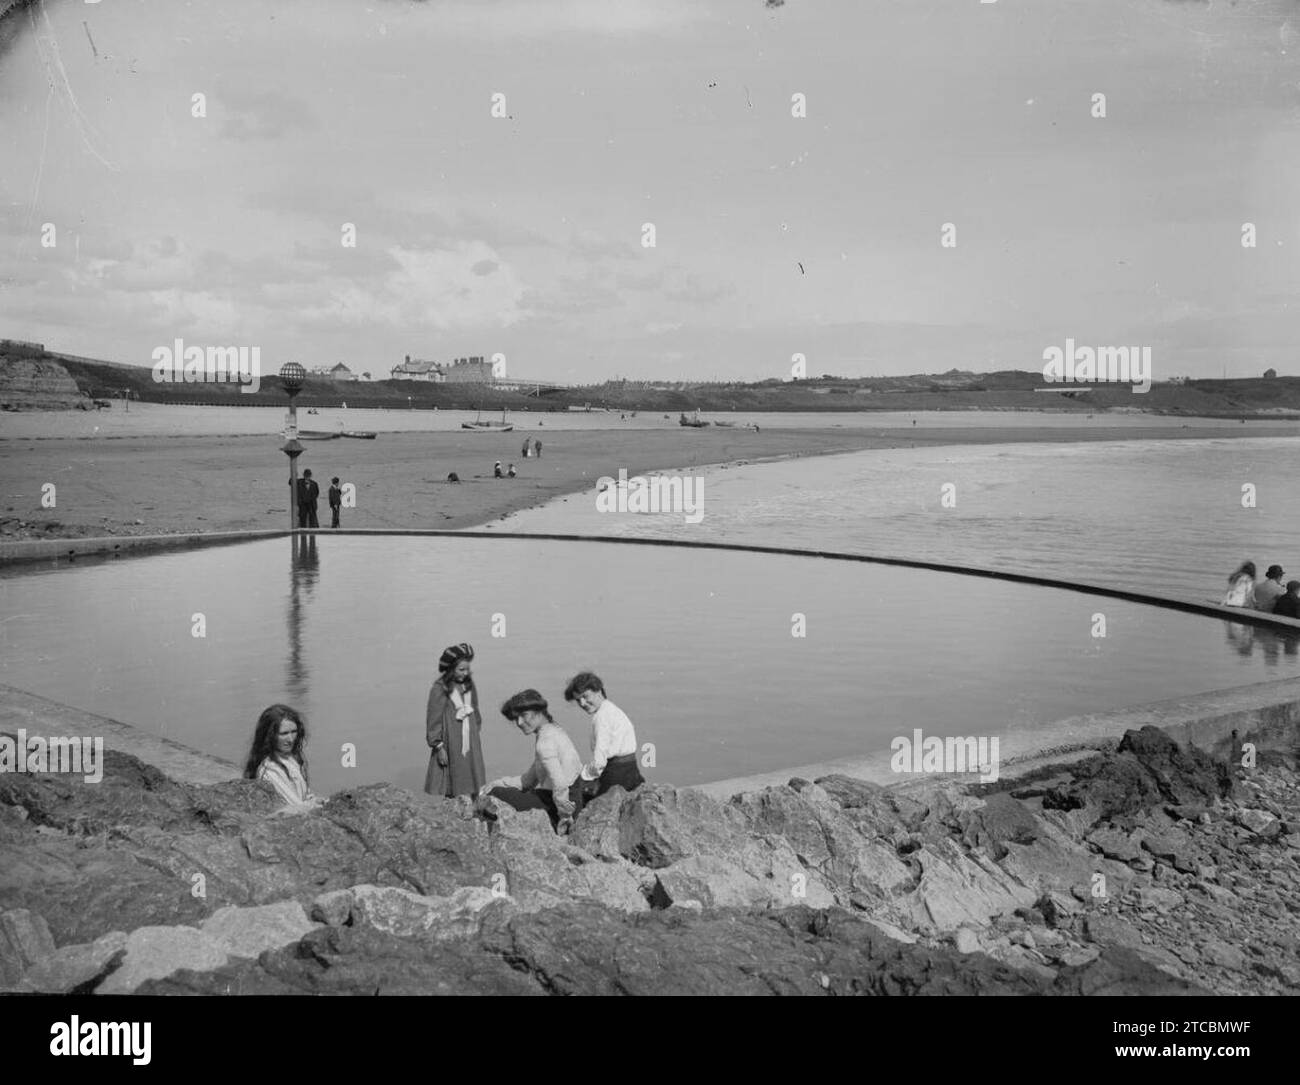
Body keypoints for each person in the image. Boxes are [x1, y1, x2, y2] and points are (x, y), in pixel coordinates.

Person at [484, 690, 584, 833]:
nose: (519, 722)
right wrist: (496, 782)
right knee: (498, 789)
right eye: (515, 718)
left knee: (496, 793)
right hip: (569, 799)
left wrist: (565, 818)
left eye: (524, 715)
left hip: (560, 806)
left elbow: (560, 784)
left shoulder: (545, 742)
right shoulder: (555, 730)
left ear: (539, 711)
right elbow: (528, 781)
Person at [565, 671, 644, 798]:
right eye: (578, 700)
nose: (582, 703)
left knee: (579, 798)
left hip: (616, 774)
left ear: (599, 690)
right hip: (632, 770)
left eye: (585, 696)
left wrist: (582, 775)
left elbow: (599, 762)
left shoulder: (601, 717)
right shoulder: (613, 710)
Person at [424, 642, 486, 798]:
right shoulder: (440, 688)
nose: (465, 673)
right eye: (461, 669)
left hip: (470, 741)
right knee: (455, 778)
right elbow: (434, 719)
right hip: (452, 741)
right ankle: (455, 809)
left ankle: (475, 805)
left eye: (467, 669)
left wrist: (475, 731)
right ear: (451, 669)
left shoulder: (469, 685)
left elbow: (475, 709)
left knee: (474, 775)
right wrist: (439, 747)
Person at [244, 704, 319, 807]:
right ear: (270, 736)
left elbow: (305, 795)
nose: (291, 739)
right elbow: (294, 808)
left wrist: (317, 801)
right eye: (284, 734)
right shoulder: (269, 770)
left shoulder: (292, 757)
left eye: (294, 732)